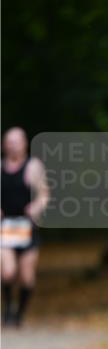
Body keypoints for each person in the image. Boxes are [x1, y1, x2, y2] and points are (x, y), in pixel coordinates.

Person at [1, 127, 49, 326]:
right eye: (9, 142)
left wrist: (36, 207)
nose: (13, 145)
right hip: (5, 227)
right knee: (8, 272)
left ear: (25, 143)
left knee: (27, 277)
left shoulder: (33, 166)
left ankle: (19, 314)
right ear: (4, 145)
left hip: (27, 226)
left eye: (16, 141)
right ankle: (8, 308)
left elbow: (44, 193)